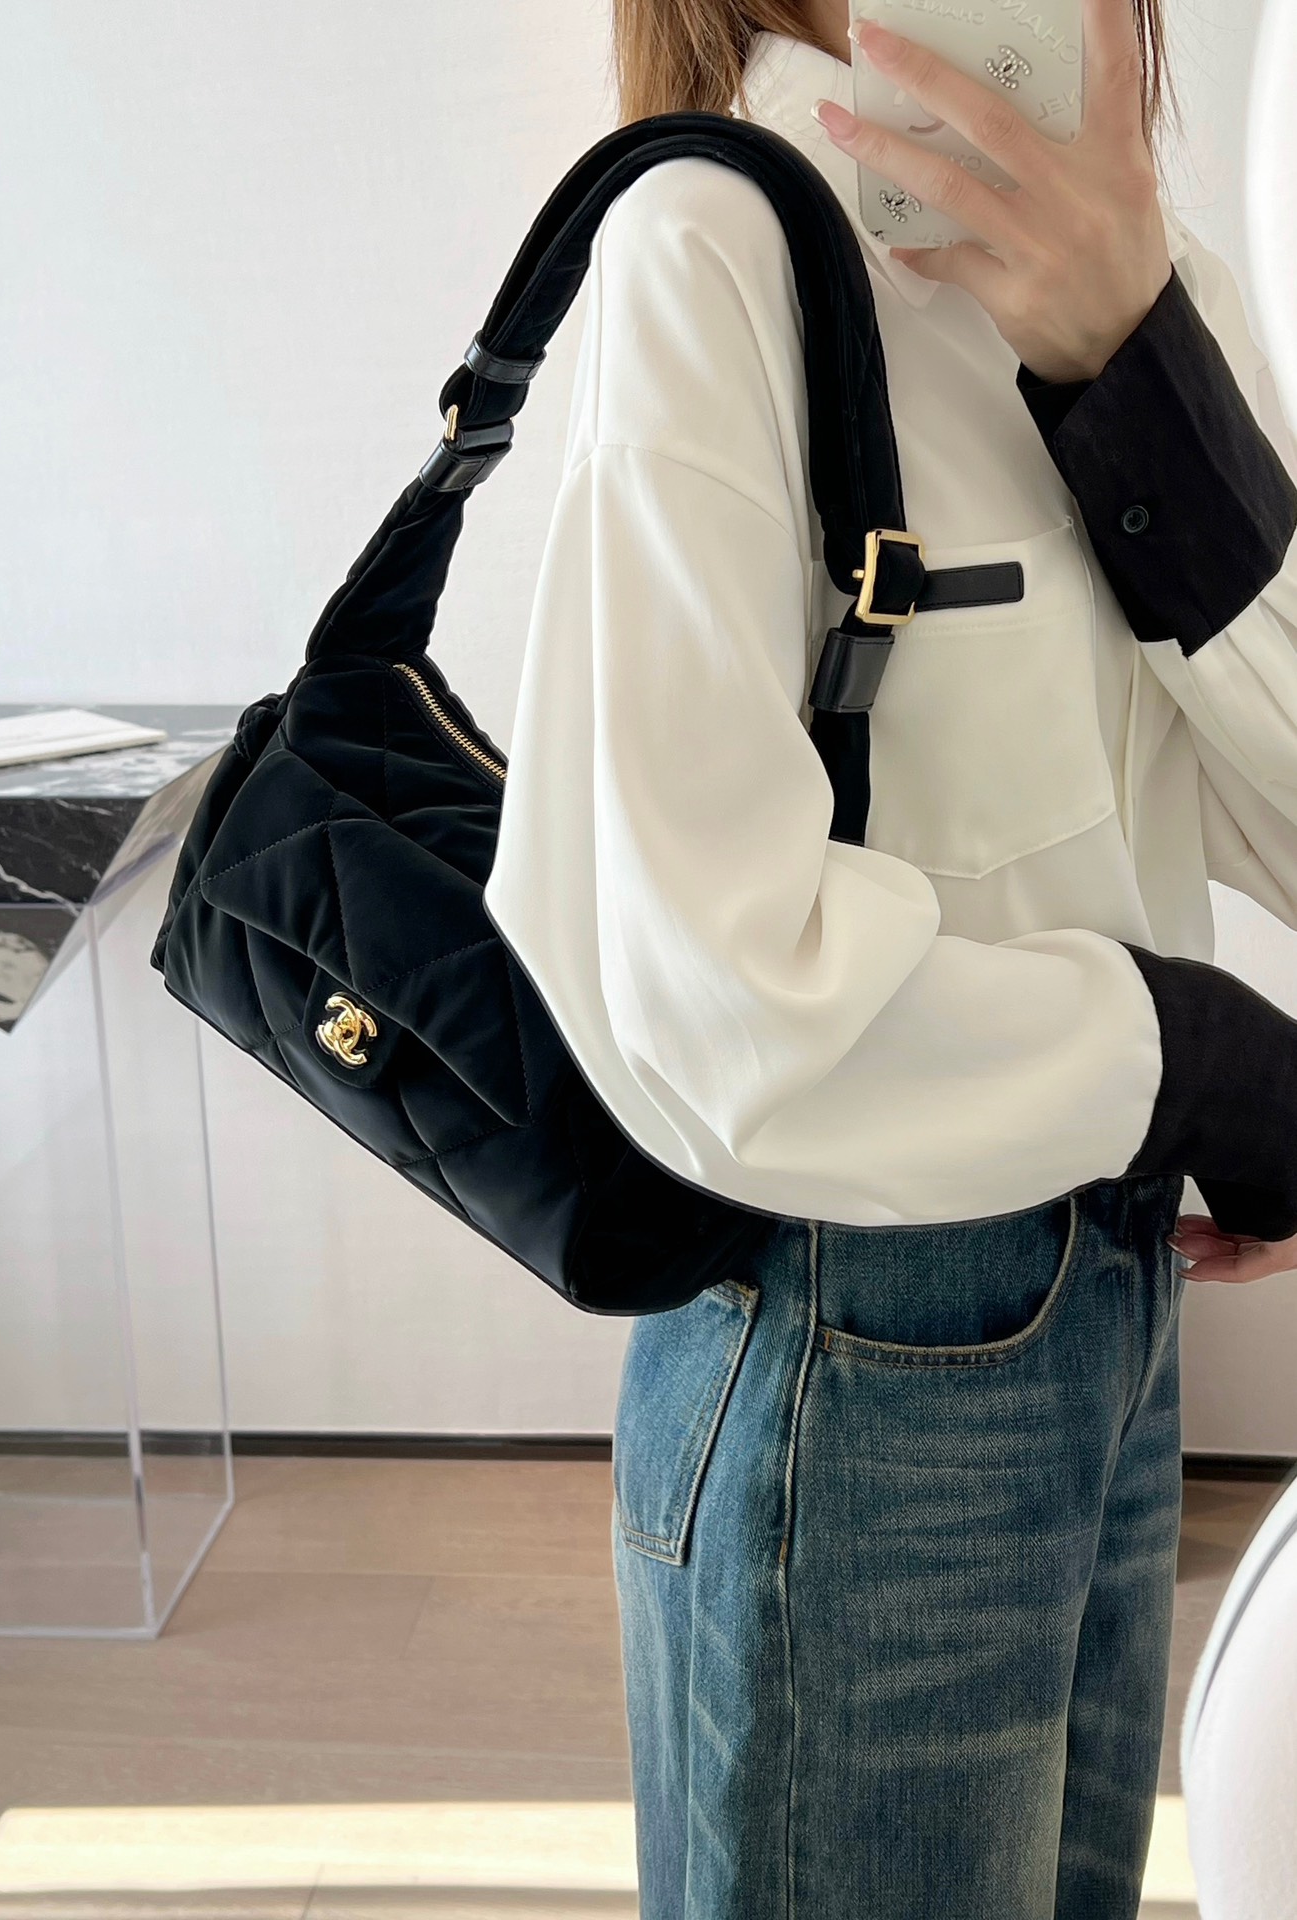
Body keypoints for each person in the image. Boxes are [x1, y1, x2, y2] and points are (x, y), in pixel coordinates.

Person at [479, 1, 1297, 1914]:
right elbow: (709, 984)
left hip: (1116, 1304)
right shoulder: (718, 242)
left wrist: (1131, 365)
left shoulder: (1153, 269)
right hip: (850, 1346)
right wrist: (1195, 1063)